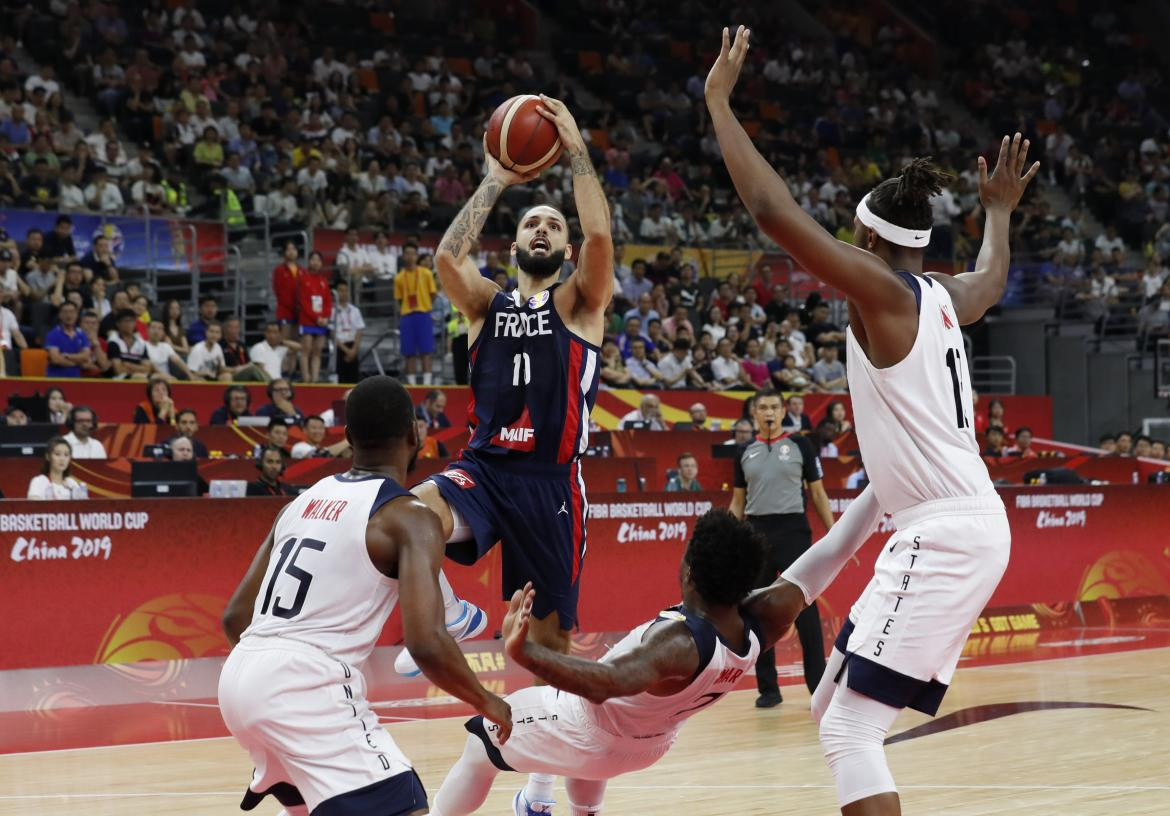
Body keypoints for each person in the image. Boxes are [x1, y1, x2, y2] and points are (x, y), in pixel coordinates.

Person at [707, 29, 1033, 812]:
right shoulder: (948, 298)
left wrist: (718, 101)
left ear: (867, 239)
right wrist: (997, 214)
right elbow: (989, 282)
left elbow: (770, 210)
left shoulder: (884, 293)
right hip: (960, 521)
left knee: (848, 730)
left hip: (944, 532)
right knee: (832, 713)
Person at [405, 93, 614, 814]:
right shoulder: (483, 305)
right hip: (488, 470)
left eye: (553, 224)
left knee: (550, 651)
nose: (543, 228)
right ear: (517, 241)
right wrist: (497, 178)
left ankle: (543, 784)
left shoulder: (581, 303)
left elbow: (599, 237)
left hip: (553, 485)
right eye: (533, 221)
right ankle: (453, 618)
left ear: (561, 248)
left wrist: (576, 149)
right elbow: (445, 256)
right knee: (408, 515)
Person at [430, 492, 884, 816]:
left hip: (590, 731)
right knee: (587, 733)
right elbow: (834, 549)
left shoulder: (678, 644)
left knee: (480, 744)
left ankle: (526, 803)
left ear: (689, 571)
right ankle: (560, 806)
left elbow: (604, 684)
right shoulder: (765, 619)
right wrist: (884, 485)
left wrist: (523, 652)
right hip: (649, 746)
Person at [219, 377, 511, 815]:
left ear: (348, 438)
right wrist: (489, 702)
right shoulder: (410, 517)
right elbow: (426, 643)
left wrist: (264, 682)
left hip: (239, 677)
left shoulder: (301, 502)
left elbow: (234, 618)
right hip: (303, 686)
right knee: (405, 806)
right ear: (416, 436)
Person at [729, 389, 835, 707]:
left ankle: (819, 688)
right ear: (754, 414)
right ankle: (769, 690)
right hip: (756, 533)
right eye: (763, 408)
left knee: (805, 609)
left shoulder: (801, 444)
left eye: (775, 407)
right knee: (757, 612)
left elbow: (818, 494)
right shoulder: (744, 452)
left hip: (794, 533)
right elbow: (737, 501)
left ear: (784, 410)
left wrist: (834, 534)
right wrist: (729, 541)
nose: (769, 412)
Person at [394, 243, 437, 385]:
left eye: (413, 253)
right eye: (407, 253)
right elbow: (400, 299)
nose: (410, 256)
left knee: (426, 351)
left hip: (423, 315)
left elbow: (432, 294)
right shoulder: (399, 278)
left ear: (417, 256)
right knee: (409, 352)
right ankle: (412, 385)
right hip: (407, 316)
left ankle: (427, 383)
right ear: (403, 256)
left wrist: (424, 305)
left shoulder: (426, 273)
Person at [298, 251, 332, 383]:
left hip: (321, 322)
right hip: (307, 320)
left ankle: (315, 378)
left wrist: (326, 317)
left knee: (317, 351)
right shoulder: (303, 278)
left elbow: (328, 302)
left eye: (318, 260)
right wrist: (316, 318)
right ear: (308, 261)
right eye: (313, 259)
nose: (316, 262)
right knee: (306, 350)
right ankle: (306, 378)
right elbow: (303, 302)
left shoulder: (323, 281)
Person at [45, 301, 90, 378]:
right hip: (56, 378)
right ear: (60, 315)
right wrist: (78, 363)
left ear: (77, 315)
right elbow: (55, 359)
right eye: (65, 312)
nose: (69, 315)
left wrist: (68, 356)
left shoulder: (82, 334)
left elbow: (86, 357)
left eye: (72, 312)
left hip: (75, 379)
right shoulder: (53, 334)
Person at [333, 280, 365, 384]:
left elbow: (359, 330)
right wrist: (347, 350)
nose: (344, 293)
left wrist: (354, 349)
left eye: (346, 290)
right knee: (341, 379)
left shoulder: (355, 310)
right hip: (339, 347)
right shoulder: (332, 311)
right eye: (341, 290)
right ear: (336, 292)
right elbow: (332, 333)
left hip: (353, 346)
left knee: (354, 380)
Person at [272, 240, 302, 345]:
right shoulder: (279, 270)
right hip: (285, 311)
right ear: (284, 252)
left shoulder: (302, 270)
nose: (291, 252)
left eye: (294, 249)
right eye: (288, 249)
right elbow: (278, 291)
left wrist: (300, 306)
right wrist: (292, 306)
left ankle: (293, 363)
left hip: (299, 312)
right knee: (284, 342)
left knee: (295, 344)